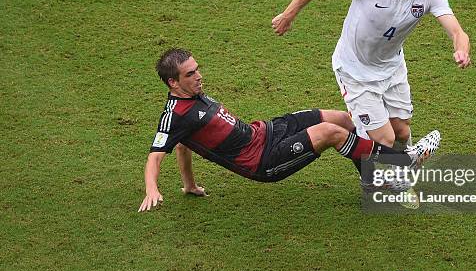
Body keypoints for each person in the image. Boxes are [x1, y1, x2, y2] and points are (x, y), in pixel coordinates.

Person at [139, 48, 440, 212]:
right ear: (173, 83)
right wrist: (153, 188)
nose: (199, 76)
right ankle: (398, 164)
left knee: (342, 120)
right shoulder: (174, 115)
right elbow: (156, 155)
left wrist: (189, 185)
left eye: (197, 69)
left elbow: (184, 145)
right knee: (330, 133)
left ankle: (374, 180)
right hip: (261, 161)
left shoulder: (193, 95)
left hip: (265, 132)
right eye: (191, 74)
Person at [272, 0, 470, 152]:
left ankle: (400, 170)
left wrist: (461, 49)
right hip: (354, 71)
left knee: (401, 133)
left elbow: (458, 31)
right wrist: (288, 16)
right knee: (384, 139)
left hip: (392, 68)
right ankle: (388, 169)